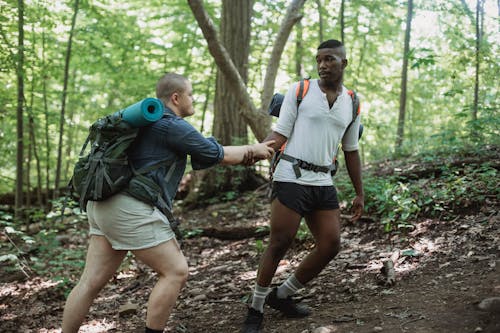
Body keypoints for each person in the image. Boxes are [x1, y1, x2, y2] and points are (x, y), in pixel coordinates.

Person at [62, 72, 275, 333]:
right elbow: (217, 155)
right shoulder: (172, 125)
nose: (193, 98)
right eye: (190, 94)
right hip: (129, 208)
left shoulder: (144, 123)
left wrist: (249, 151)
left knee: (89, 282)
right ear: (176, 97)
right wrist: (255, 150)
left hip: (102, 205)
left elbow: (207, 151)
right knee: (176, 271)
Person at [241, 39, 364, 333]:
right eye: (319, 59)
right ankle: (255, 307)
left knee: (331, 244)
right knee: (280, 241)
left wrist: (359, 192)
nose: (323, 64)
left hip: (323, 180)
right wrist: (255, 150)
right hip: (291, 174)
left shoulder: (353, 102)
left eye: (330, 59)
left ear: (344, 63)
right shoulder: (301, 90)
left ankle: (280, 295)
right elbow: (280, 133)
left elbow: (351, 149)